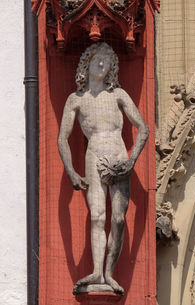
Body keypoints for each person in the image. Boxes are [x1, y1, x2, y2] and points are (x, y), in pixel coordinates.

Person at [58, 42, 149, 294]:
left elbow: (143, 127)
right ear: (86, 64)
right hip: (94, 154)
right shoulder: (76, 99)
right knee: (97, 216)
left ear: (112, 68)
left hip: (119, 157)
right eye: (98, 59)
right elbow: (62, 137)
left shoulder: (118, 95)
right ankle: (97, 272)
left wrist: (132, 160)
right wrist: (71, 171)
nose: (102, 64)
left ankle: (109, 271)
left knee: (118, 218)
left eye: (107, 61)